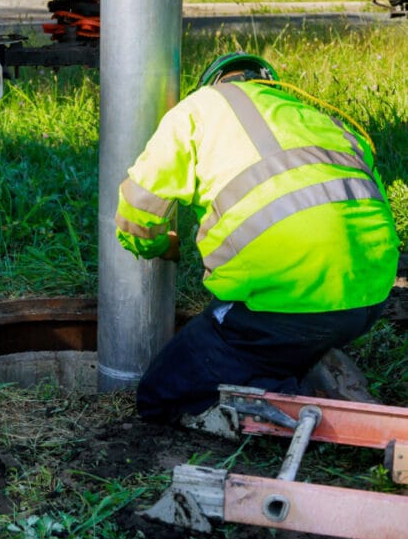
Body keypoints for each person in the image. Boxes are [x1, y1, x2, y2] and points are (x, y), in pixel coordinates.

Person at [115, 51, 400, 423]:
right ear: (269, 86)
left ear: (212, 84)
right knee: (281, 336)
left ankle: (295, 396)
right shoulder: (320, 120)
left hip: (286, 305)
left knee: (159, 395)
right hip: (370, 297)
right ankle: (309, 362)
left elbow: (137, 210)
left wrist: (157, 245)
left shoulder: (198, 109)